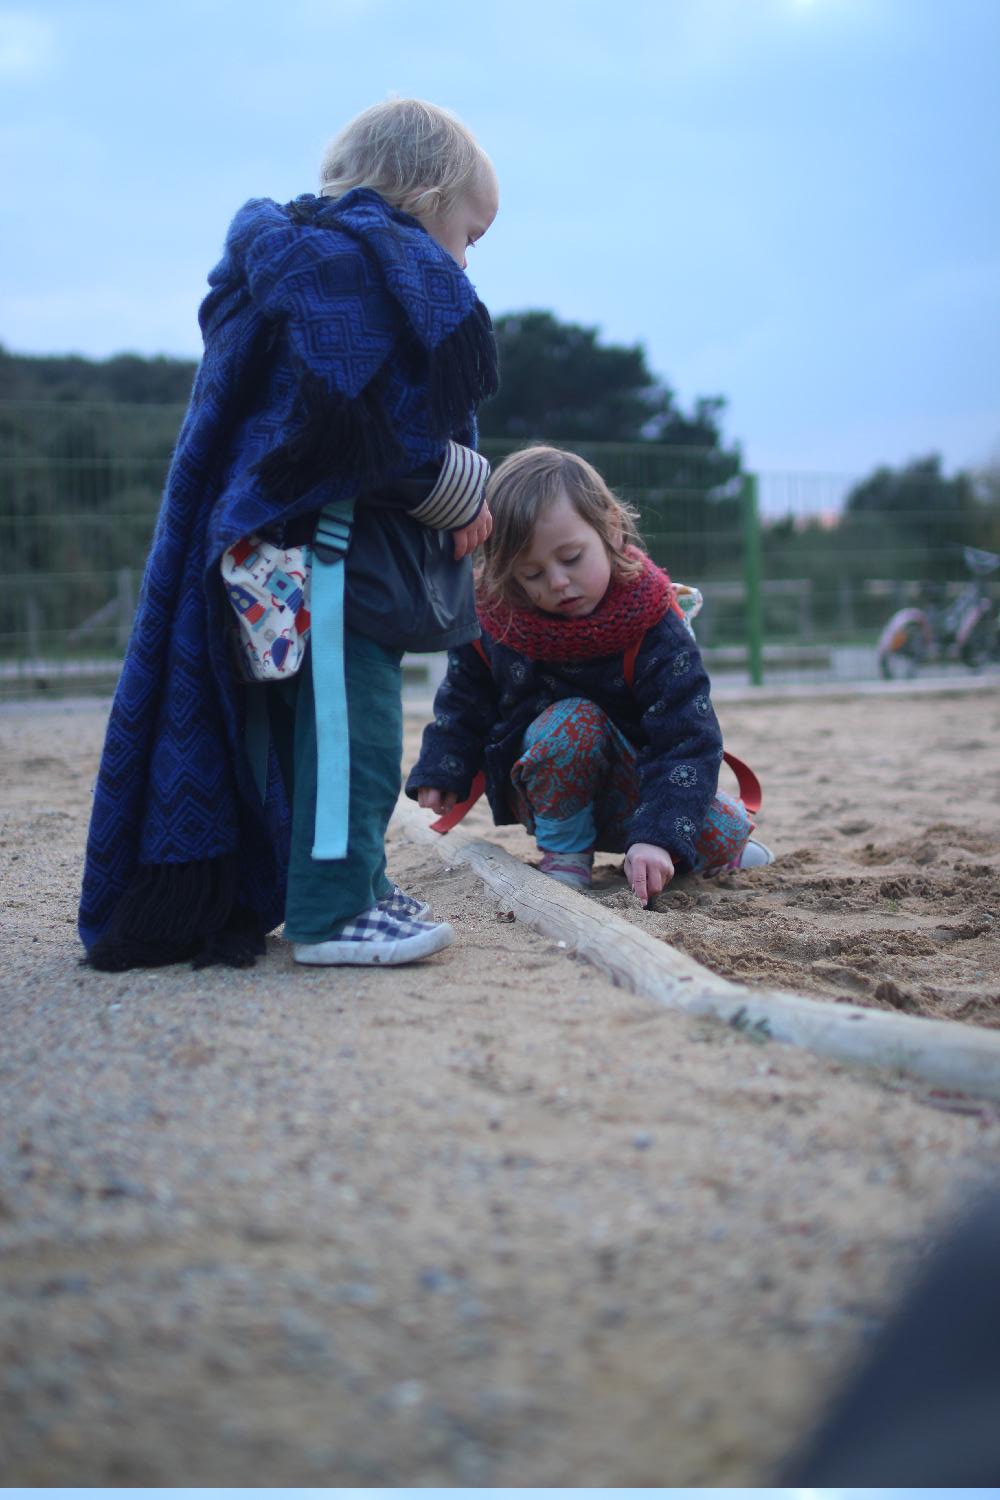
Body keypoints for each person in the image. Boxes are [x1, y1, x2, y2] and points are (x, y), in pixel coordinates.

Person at [79, 98, 499, 970]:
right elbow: (360, 437)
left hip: (278, 557)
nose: (466, 258)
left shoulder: (303, 263)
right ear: (423, 197)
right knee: (355, 733)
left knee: (314, 734)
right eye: (471, 232)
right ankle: (332, 913)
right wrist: (463, 487)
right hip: (330, 559)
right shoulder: (353, 272)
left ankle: (355, 885)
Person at [407, 446, 770, 903]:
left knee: (718, 835)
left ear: (611, 530)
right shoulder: (497, 620)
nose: (557, 582)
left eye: (572, 557)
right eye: (532, 573)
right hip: (542, 784)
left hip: (639, 788)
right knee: (573, 721)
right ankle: (565, 857)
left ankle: (719, 851)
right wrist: (445, 765)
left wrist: (657, 837)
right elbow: (464, 698)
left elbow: (688, 739)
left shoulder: (654, 624)